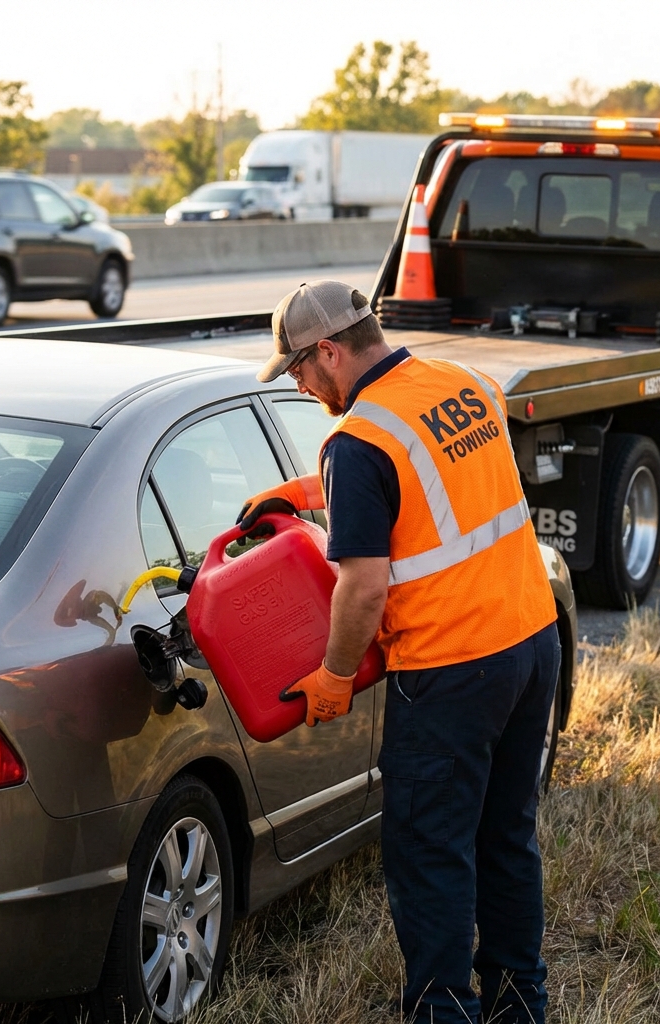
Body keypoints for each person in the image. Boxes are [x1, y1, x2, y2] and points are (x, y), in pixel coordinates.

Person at [237, 280, 561, 1023]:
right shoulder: (464, 382)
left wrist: (334, 674)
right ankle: (519, 1005)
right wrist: (319, 492)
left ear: (328, 351)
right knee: (506, 837)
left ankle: (443, 1012)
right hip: (530, 638)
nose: (301, 385)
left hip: (451, 671)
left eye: (299, 370)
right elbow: (439, 479)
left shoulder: (357, 443)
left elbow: (363, 589)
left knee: (430, 854)